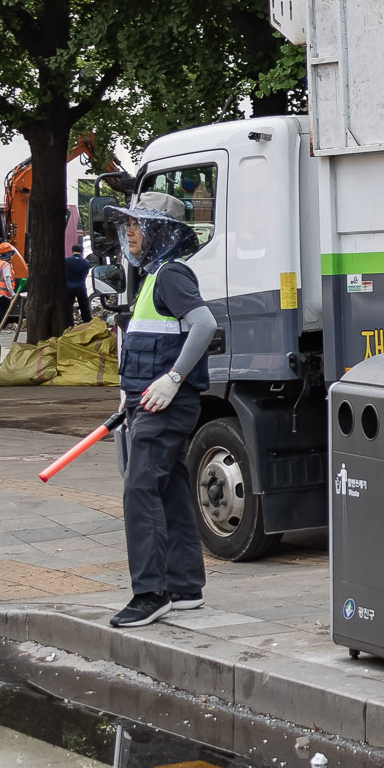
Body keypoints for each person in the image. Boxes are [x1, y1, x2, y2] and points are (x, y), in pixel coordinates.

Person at [109, 193, 220, 629]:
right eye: (129, 226)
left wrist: (173, 377)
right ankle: (185, 587)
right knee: (169, 489)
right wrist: (128, 396)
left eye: (139, 225)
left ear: (162, 231)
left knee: (139, 490)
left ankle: (150, 594)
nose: (130, 233)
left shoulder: (170, 274)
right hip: (150, 402)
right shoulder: (153, 279)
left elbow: (205, 324)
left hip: (165, 406)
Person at [64, 248, 92, 326]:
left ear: (72, 251)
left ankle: (69, 324)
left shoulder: (66, 261)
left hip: (68, 286)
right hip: (81, 286)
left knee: (68, 307)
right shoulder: (85, 262)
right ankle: (87, 323)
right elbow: (85, 273)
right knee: (84, 307)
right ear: (82, 252)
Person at [0, 253, 18, 331]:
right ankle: (2, 327)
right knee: (4, 312)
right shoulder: (6, 265)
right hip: (4, 293)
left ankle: (0, 327)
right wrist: (12, 293)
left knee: (0, 311)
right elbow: (7, 279)